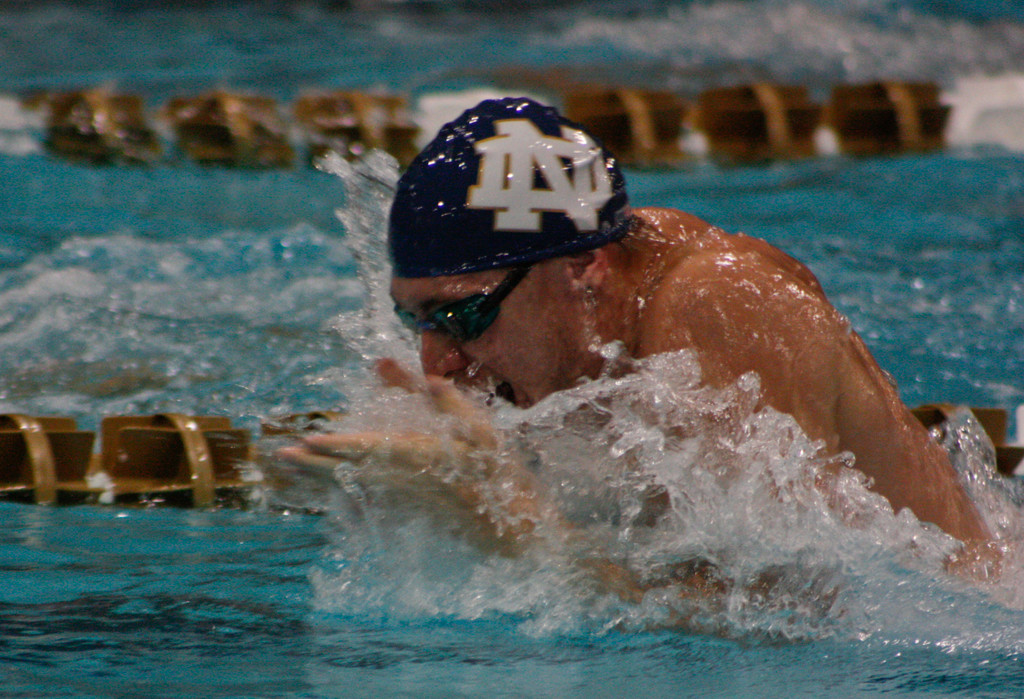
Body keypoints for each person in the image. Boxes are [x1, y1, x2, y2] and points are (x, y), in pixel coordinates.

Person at [279, 96, 990, 564]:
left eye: (464, 315)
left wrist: (506, 519)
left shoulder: (719, 307)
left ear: (582, 265)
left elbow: (779, 622)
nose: (437, 363)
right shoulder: (566, 338)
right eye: (416, 318)